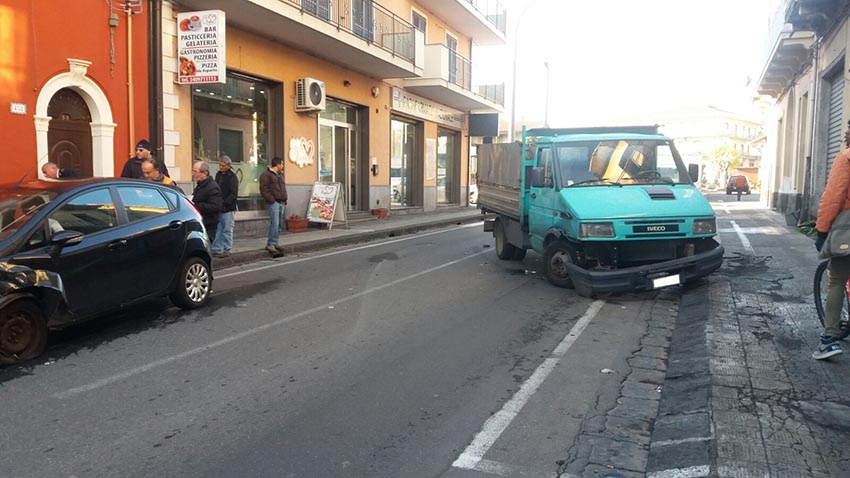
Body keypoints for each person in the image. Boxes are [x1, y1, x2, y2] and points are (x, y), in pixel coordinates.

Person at [813, 120, 850, 359]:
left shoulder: (846, 158)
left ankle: (828, 340)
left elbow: (833, 197)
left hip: (847, 232)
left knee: (837, 280)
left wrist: (822, 230)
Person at [259, 156, 288, 255]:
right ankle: (271, 243)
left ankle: (275, 242)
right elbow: (264, 189)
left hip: (281, 202)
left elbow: (283, 188)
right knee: (274, 223)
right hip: (274, 202)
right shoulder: (266, 175)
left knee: (279, 224)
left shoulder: (280, 175)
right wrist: (272, 200)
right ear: (278, 164)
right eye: (282, 164)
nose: (283, 166)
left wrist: (285, 199)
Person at [212, 156, 238, 258]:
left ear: (228, 166)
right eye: (220, 165)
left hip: (228, 208)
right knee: (218, 229)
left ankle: (227, 249)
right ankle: (216, 249)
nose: (220, 167)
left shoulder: (232, 177)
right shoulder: (218, 175)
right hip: (219, 207)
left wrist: (225, 203)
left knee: (227, 229)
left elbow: (233, 194)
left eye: (223, 165)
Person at [191, 161, 222, 242]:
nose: (192, 174)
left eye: (195, 171)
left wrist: (196, 205)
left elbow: (215, 207)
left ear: (205, 173)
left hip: (208, 225)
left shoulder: (212, 187)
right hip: (200, 223)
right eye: (192, 171)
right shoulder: (200, 185)